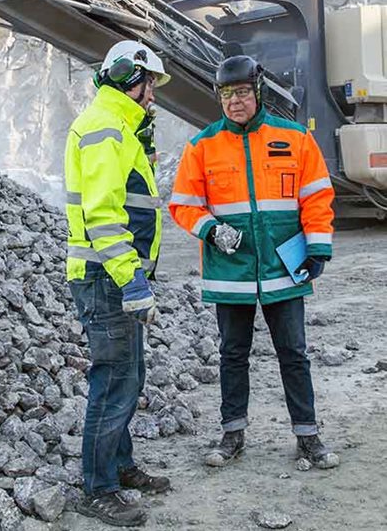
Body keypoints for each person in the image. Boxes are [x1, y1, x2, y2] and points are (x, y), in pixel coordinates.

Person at [169, 55, 339, 470]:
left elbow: (316, 197)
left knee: (294, 354)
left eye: (242, 92)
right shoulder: (202, 146)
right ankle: (232, 434)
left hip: (284, 269)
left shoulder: (295, 138)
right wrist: (211, 229)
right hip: (232, 273)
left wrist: (317, 247)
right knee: (232, 354)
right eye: (226, 94)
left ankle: (308, 436)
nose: (234, 102)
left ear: (258, 92)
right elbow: (183, 205)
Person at [65, 40, 172, 527]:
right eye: (150, 85)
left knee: (130, 375)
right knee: (114, 382)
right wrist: (131, 278)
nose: (153, 96)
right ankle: (98, 487)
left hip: (114, 276)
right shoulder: (107, 129)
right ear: (133, 80)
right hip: (108, 277)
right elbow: (104, 217)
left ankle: (120, 465)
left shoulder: (120, 128)